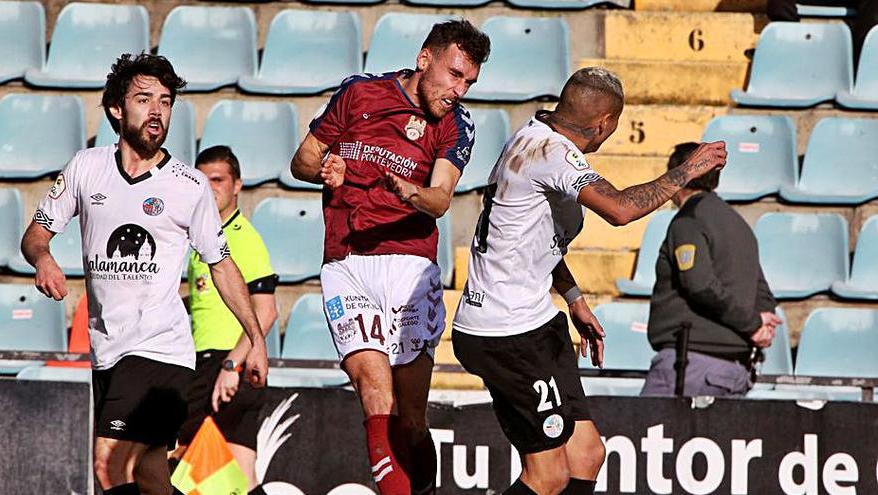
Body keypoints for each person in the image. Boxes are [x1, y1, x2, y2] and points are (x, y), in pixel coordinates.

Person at [452, 67, 728, 495]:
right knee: (547, 477)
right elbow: (619, 210)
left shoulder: (535, 135)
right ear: (605, 124)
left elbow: (534, 241)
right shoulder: (552, 154)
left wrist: (575, 299)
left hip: (536, 321)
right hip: (506, 333)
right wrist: (686, 171)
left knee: (587, 454)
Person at [20, 53, 268, 495]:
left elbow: (223, 263)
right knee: (152, 475)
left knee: (109, 465)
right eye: (144, 99)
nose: (157, 111)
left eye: (166, 102)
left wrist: (256, 340)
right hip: (107, 349)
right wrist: (43, 259)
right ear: (117, 108)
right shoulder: (86, 167)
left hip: (161, 350)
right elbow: (35, 235)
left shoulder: (189, 185)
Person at [289, 19, 490, 495]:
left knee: (411, 420)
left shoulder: (456, 125)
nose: (459, 90)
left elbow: (441, 199)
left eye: (469, 82)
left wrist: (410, 192)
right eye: (455, 74)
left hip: (408, 266)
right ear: (425, 59)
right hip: (346, 262)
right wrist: (324, 169)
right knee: (375, 399)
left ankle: (424, 487)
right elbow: (301, 160)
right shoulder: (358, 95)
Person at [171, 145, 278, 494]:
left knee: (172, 460)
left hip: (222, 365)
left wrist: (232, 365)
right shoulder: (204, 238)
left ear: (237, 186)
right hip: (216, 365)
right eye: (202, 181)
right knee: (241, 477)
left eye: (218, 180)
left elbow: (266, 310)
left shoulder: (242, 238)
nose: (210, 187)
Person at [641, 143, 781, 398]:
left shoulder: (688, 221)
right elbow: (761, 291)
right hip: (734, 371)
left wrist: (752, 325)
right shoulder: (739, 225)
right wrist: (763, 325)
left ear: (679, 175)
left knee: (643, 434)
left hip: (690, 367)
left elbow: (699, 284)